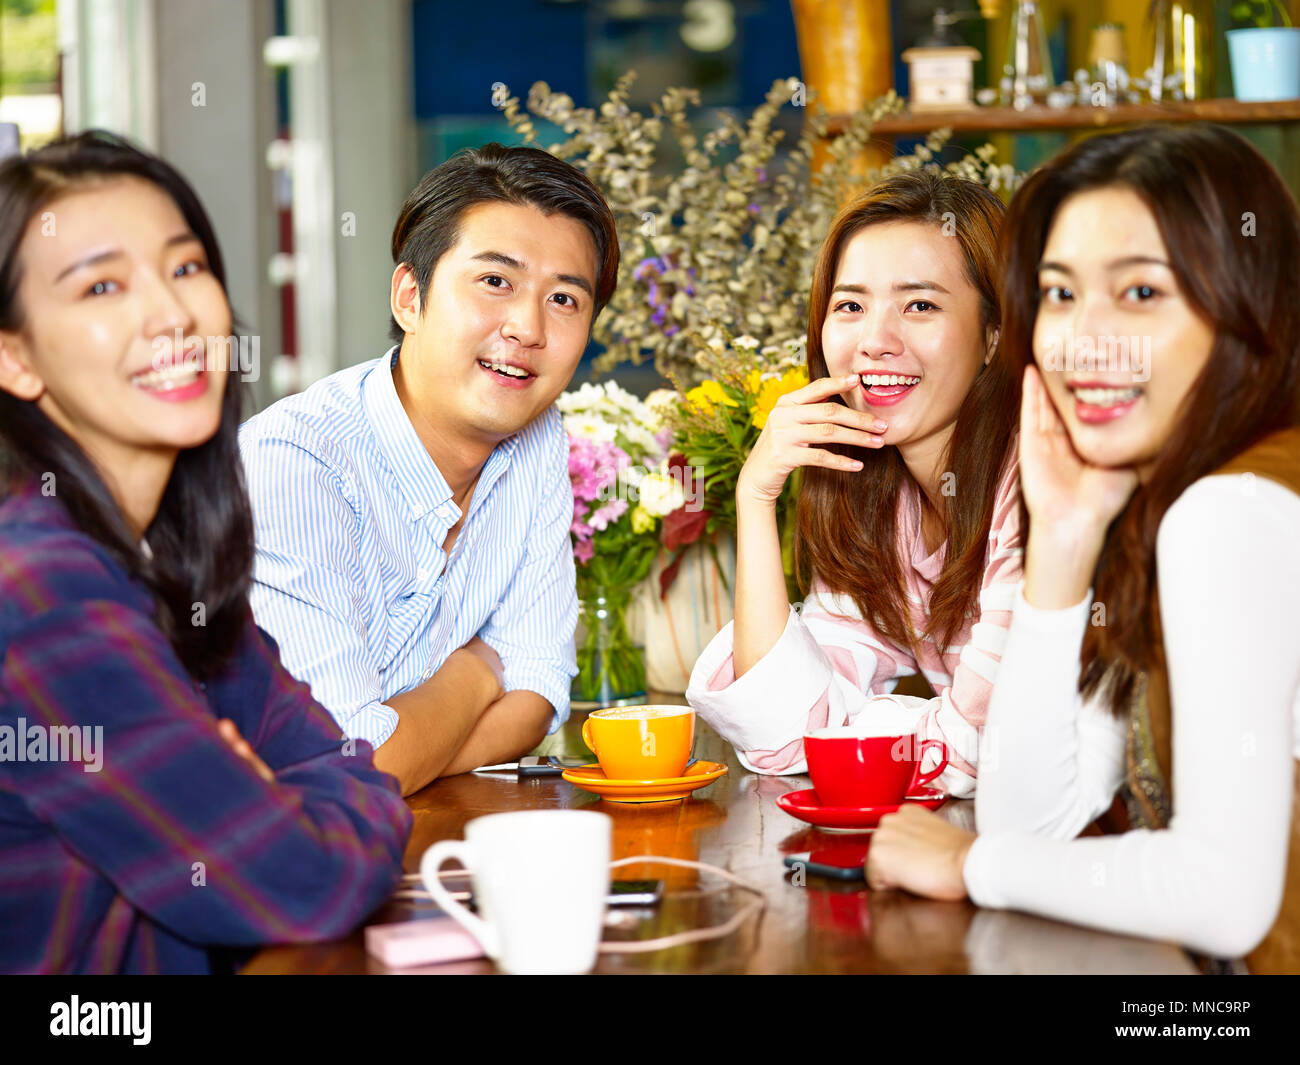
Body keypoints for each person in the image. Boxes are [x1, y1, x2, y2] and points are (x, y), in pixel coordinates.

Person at [865, 124, 1300, 974]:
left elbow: (1223, 896)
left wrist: (965, 864)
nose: (1083, 340)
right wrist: (1062, 543)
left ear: (1249, 304)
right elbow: (1032, 822)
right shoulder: (1170, 500)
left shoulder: (1231, 511)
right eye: (1060, 294)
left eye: (1140, 294)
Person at [0, 131, 411, 975]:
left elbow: (342, 761)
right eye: (103, 285)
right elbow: (308, 882)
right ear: (15, 357)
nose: (174, 315)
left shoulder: (162, 561)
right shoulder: (42, 591)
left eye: (185, 268)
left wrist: (273, 789)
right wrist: (272, 796)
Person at [239, 144, 618, 796]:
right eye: (496, 281)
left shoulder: (536, 435)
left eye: (563, 299)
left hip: (401, 844)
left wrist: (399, 754)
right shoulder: (294, 464)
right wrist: (479, 669)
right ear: (410, 297)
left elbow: (541, 687)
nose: (527, 327)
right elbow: (352, 763)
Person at [686, 170, 1021, 797]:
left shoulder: (1039, 480)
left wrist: (864, 725)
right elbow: (783, 734)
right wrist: (755, 497)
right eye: (850, 306)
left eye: (920, 305)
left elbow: (988, 748)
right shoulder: (879, 499)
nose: (875, 342)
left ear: (993, 338)